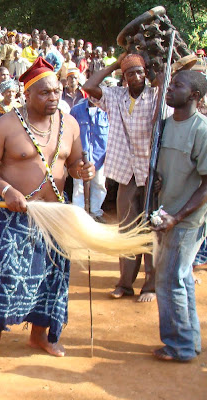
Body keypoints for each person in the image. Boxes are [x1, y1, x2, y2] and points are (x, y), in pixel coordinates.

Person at [0, 57, 94, 359]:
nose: (54, 97)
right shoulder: (6, 124)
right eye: (45, 93)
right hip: (10, 212)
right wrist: (7, 189)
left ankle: (40, 336)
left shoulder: (70, 125)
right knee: (6, 273)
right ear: (27, 95)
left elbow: (74, 164)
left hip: (53, 216)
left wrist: (82, 170)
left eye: (57, 91)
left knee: (51, 277)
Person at [83, 53, 158, 302]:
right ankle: (125, 284)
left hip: (151, 173)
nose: (136, 77)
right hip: (127, 173)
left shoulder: (157, 95)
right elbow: (89, 87)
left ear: (145, 73)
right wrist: (115, 64)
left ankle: (151, 284)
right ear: (123, 78)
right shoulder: (116, 96)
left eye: (139, 72)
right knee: (127, 229)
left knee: (152, 228)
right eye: (129, 73)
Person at [151, 70, 207, 362]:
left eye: (178, 86)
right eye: (170, 84)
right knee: (181, 279)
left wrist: (179, 215)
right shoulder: (165, 125)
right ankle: (190, 341)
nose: (170, 89)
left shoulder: (202, 130)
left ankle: (180, 347)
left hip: (187, 219)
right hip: (166, 212)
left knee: (169, 280)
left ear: (195, 96)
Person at [70, 96, 109, 221]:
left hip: (100, 157)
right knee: (79, 187)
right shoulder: (76, 111)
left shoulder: (107, 111)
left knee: (99, 185)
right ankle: (79, 216)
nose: (94, 97)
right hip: (80, 158)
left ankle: (95, 213)